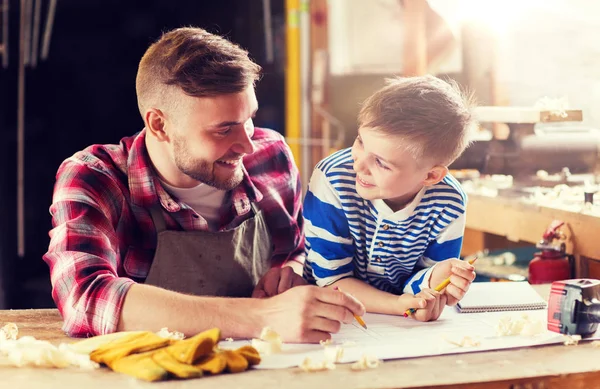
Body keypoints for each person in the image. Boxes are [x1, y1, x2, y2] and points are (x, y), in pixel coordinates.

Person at [43, 27, 364, 342]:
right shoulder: (95, 177)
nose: (247, 146)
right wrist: (263, 318)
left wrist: (288, 272)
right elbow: (85, 297)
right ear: (160, 125)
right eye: (224, 130)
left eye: (249, 120)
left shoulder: (271, 155)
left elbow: (294, 250)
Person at [303, 75, 477, 321]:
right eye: (360, 141)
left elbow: (423, 282)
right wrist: (399, 305)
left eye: (381, 163)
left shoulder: (449, 203)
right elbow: (331, 282)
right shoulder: (332, 178)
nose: (359, 166)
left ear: (430, 175)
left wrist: (435, 282)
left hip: (396, 324)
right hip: (331, 314)